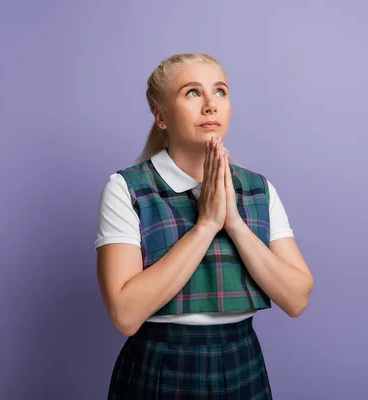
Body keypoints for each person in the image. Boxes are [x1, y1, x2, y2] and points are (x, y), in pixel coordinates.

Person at [95, 53, 314, 399]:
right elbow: (126, 314)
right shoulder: (127, 188)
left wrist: (235, 224)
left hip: (243, 361)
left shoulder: (258, 188)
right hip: (159, 367)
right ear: (161, 116)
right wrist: (206, 226)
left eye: (220, 92)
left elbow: (297, 297)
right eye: (193, 93)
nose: (211, 105)